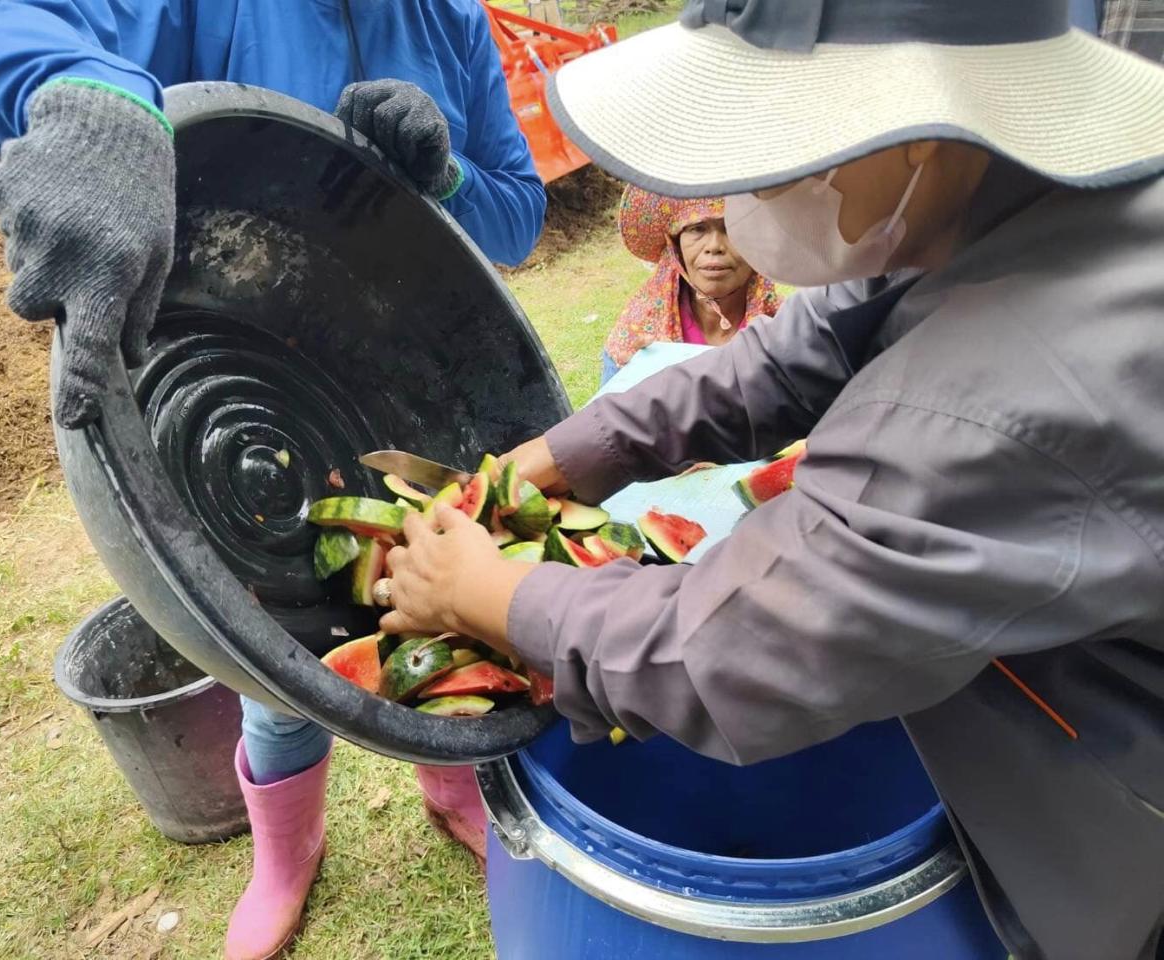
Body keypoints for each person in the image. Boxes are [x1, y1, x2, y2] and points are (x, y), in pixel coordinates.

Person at [378, 1, 1164, 958]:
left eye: (780, 149)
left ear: (914, 140)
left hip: (1117, 794)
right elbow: (792, 357)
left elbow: (736, 650)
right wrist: (559, 457)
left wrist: (494, 595)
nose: (746, 196)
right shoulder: (988, 201)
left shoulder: (987, 404)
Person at [0, 3, 543, 958]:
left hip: (414, 405)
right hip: (224, 396)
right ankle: (285, 855)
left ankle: (448, 786)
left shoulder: (451, 21)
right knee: (278, 679)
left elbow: (517, 218)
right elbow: (25, 22)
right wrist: (83, 96)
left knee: (448, 641)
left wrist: (451, 177)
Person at [602, 184, 781, 383]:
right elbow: (607, 412)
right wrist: (640, 377)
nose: (714, 246)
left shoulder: (785, 329)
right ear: (676, 248)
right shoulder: (638, 335)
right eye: (697, 228)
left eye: (732, 227)